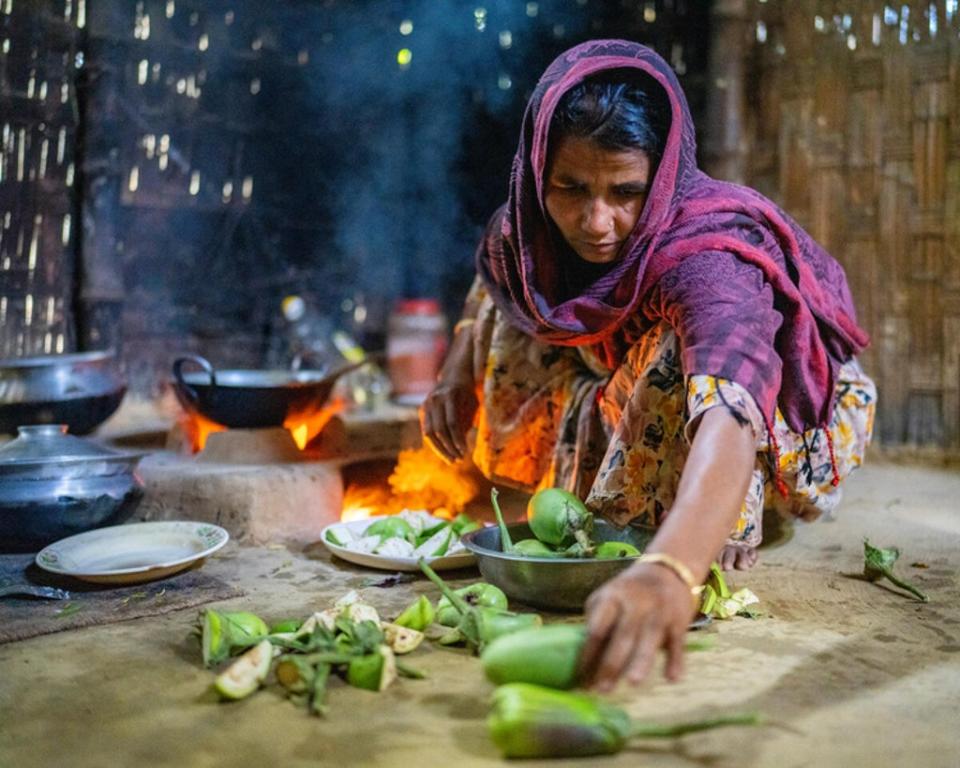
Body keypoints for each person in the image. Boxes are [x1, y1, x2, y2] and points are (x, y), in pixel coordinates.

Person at [420, 40, 876, 690]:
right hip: (627, 373)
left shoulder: (707, 255)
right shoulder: (530, 225)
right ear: (536, 172)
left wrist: (673, 568)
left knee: (677, 358)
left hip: (775, 407)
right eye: (569, 187)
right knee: (521, 287)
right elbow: (497, 271)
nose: (596, 221)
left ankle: (721, 509)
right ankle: (648, 493)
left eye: (626, 191)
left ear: (661, 178)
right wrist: (454, 368)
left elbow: (731, 400)